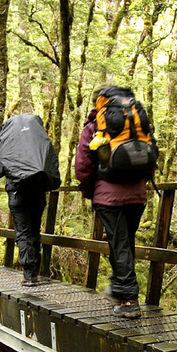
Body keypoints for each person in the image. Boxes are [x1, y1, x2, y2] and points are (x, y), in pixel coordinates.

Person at [74, 86, 147, 319]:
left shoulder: (95, 127)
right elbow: (150, 157)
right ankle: (118, 287)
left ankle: (129, 300)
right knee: (124, 242)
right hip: (137, 195)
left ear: (99, 104)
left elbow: (83, 165)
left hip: (109, 196)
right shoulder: (136, 124)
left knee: (119, 242)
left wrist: (88, 191)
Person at [0, 110, 61, 286]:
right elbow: (52, 169)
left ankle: (28, 275)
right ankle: (34, 272)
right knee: (35, 230)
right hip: (38, 194)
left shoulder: (8, 143)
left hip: (17, 194)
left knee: (23, 232)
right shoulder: (41, 143)